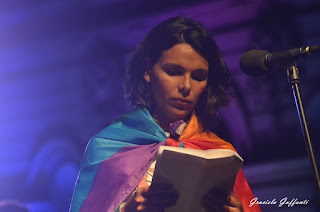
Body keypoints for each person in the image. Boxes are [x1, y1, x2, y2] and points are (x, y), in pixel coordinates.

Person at [70, 16, 261, 212]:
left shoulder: (221, 153)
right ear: (147, 71)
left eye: (198, 76)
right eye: (173, 71)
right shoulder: (108, 148)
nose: (186, 86)